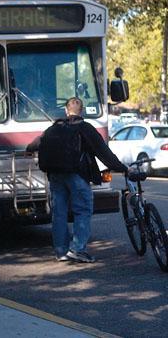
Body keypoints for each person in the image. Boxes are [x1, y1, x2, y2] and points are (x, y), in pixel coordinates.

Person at [27, 97, 127, 263]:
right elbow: (103, 152)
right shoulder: (85, 128)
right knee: (83, 210)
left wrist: (28, 149)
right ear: (82, 111)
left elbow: (36, 143)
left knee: (59, 213)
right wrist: (122, 167)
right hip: (77, 175)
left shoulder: (53, 128)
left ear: (66, 111)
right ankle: (77, 249)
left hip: (55, 176)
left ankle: (61, 252)